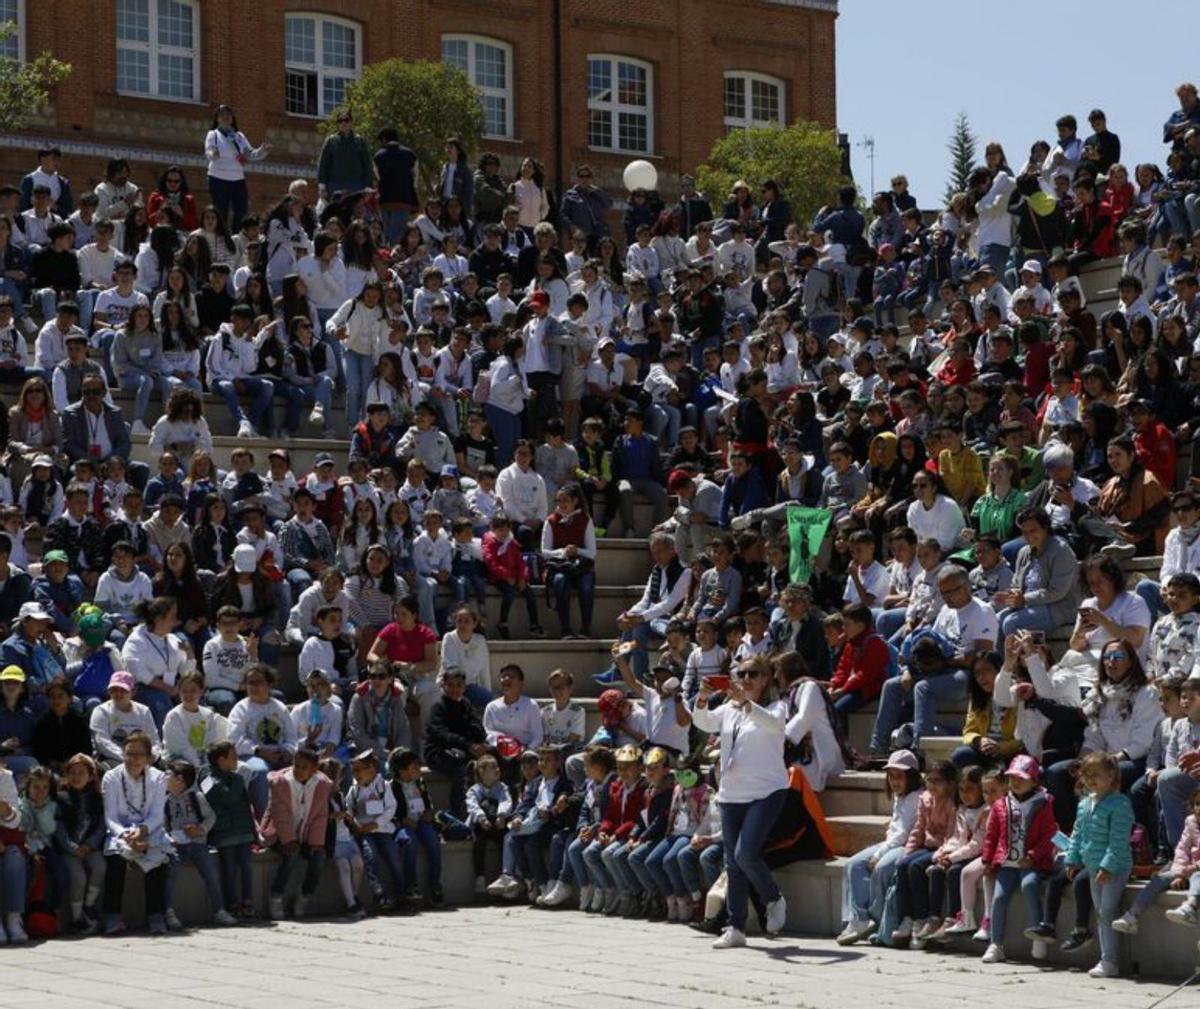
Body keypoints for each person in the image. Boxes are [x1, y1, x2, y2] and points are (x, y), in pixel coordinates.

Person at [690, 657, 788, 948]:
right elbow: (703, 721)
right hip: (731, 793)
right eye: (741, 673)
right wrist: (704, 698)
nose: (745, 678)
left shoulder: (776, 707)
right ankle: (736, 927)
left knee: (746, 853)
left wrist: (746, 703)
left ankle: (773, 898)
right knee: (733, 863)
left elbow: (773, 725)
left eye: (753, 674)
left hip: (767, 791)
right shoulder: (730, 708)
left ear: (766, 678)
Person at [837, 748, 923, 944]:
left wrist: (879, 854)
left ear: (912, 776)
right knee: (853, 864)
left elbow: (902, 835)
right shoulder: (899, 796)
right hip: (891, 843)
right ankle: (859, 919)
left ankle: (879, 921)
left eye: (900, 776)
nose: (894, 781)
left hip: (910, 846)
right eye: (891, 776)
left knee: (882, 867)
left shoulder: (916, 797)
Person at [979, 754, 1058, 964]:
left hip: (1032, 863)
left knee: (1029, 884)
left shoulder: (1044, 803)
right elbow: (992, 835)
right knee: (999, 897)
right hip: (1007, 862)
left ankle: (1038, 934)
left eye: (1021, 778)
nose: (1015, 782)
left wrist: (1033, 856)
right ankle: (996, 944)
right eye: (1012, 777)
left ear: (1034, 780)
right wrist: (987, 860)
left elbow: (1049, 834)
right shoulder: (1001, 805)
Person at [100, 730, 171, 935]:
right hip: (120, 832)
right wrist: (126, 835)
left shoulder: (158, 778)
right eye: (129, 753)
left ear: (148, 758)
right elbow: (111, 818)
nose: (133, 759)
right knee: (115, 862)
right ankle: (112, 917)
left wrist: (142, 832)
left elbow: (157, 814)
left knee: (159, 861)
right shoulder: (111, 778)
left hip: (149, 829)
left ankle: (156, 916)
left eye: (139, 755)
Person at [259, 746, 331, 921]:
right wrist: (289, 840)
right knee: (291, 854)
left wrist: (316, 843)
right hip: (279, 833)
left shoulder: (322, 785)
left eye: (303, 767)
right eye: (296, 765)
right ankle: (276, 896)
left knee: (319, 856)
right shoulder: (281, 782)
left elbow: (320, 816)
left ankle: (304, 896)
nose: (297, 770)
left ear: (314, 769)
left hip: (305, 833)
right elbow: (280, 814)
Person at [204, 105, 270, 233]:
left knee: (241, 210)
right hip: (218, 178)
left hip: (238, 179)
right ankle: (220, 237)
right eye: (222, 114)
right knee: (220, 211)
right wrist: (213, 154)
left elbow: (250, 154)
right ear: (217, 119)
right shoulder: (213, 134)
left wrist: (262, 151)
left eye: (229, 114)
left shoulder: (239, 136)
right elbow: (209, 149)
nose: (226, 117)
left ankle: (236, 237)